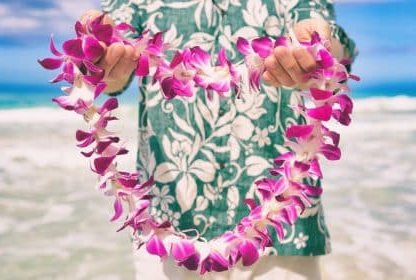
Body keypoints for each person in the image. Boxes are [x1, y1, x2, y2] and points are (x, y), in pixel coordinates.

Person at [83, 1, 357, 279]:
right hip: (165, 226)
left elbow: (333, 40)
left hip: (285, 228)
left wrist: (319, 49)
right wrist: (102, 57)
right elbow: (117, 54)